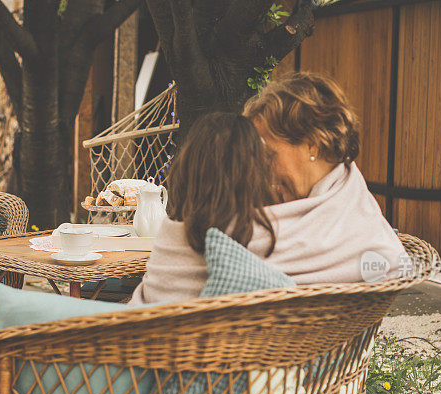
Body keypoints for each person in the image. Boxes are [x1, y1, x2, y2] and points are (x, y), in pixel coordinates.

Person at [130, 72, 405, 305]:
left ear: (313, 144)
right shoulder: (293, 204)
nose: (261, 169)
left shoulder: (354, 221)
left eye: (269, 153)